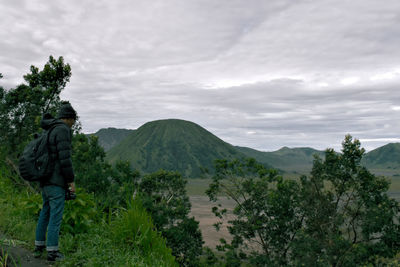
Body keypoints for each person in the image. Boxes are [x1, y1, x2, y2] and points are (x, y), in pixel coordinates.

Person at [33, 103, 77, 262]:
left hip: (44, 179)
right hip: (55, 180)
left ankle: (38, 246)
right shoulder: (63, 130)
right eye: (73, 121)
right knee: (55, 215)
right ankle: (52, 252)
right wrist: (71, 181)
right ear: (69, 119)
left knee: (45, 212)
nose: (73, 124)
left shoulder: (48, 129)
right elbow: (65, 159)